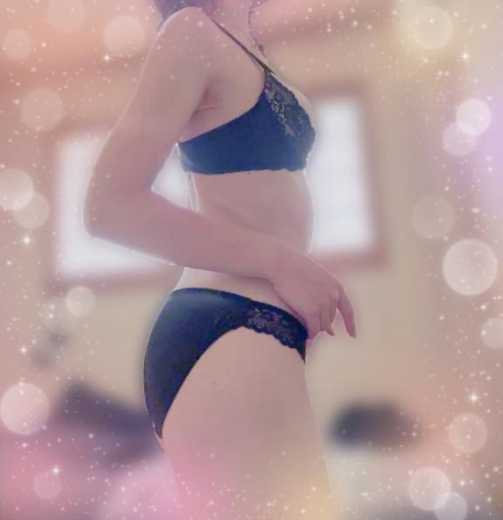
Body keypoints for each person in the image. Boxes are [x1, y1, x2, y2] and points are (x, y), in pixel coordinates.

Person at [85, 0, 357, 517]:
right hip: (227, 322)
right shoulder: (191, 32)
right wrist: (281, 263)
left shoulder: (243, 41)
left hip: (255, 326)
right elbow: (109, 207)